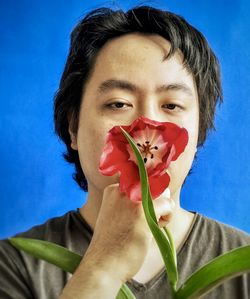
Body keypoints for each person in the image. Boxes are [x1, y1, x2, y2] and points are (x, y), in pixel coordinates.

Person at [0, 5, 249, 299]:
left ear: (198, 132)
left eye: (171, 105)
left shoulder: (241, 265)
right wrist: (103, 266)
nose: (146, 124)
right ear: (73, 127)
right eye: (118, 103)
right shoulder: (14, 266)